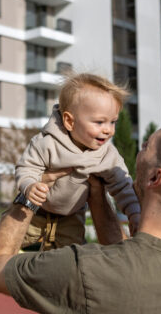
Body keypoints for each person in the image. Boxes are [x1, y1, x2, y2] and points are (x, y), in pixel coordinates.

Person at [0, 113, 161, 313]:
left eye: (146, 145)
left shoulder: (83, 269)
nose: (138, 151)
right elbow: (130, 261)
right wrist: (97, 196)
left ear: (156, 177)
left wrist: (30, 194)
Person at [14, 72, 140, 250]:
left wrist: (135, 213)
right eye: (99, 122)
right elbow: (26, 167)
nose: (108, 130)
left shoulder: (107, 154)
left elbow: (123, 185)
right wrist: (29, 186)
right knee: (11, 244)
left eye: (113, 122)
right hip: (37, 211)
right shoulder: (47, 143)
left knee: (69, 256)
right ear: (69, 121)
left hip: (71, 216)